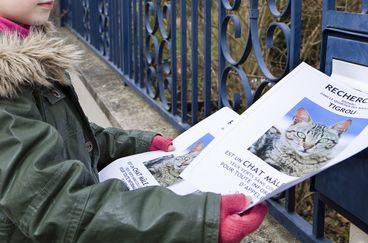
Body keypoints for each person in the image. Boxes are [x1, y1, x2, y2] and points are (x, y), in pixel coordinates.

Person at [0, 0, 267, 242]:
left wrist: (138, 144)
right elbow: (54, 206)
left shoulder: (26, 47)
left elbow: (63, 135)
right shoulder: (6, 83)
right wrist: (197, 218)